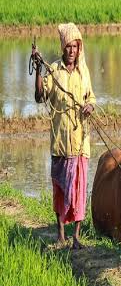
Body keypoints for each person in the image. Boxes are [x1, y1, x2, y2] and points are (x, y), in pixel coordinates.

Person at [32, 23, 96, 248]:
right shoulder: (54, 71)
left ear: (79, 49)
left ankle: (76, 236)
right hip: (60, 142)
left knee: (78, 188)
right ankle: (61, 234)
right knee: (60, 187)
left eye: (75, 47)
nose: (71, 51)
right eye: (68, 47)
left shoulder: (83, 72)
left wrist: (89, 106)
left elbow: (91, 97)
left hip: (80, 143)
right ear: (63, 47)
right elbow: (40, 96)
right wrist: (39, 70)